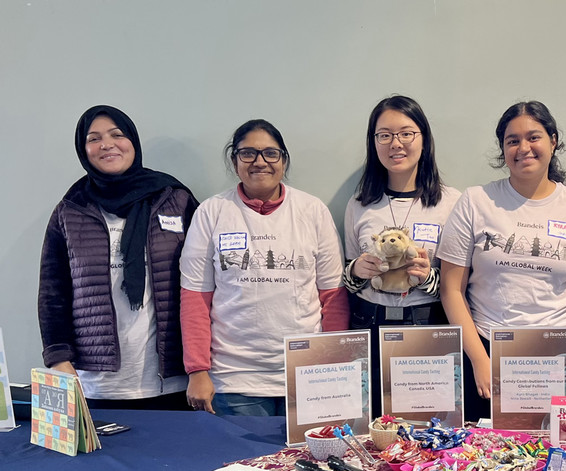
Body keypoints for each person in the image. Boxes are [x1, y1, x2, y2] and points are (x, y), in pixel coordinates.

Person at [437, 101, 566, 421]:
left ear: (553, 141)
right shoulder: (475, 201)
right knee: (490, 456)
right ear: (503, 148)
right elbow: (451, 290)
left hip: (560, 358)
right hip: (488, 351)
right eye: (512, 140)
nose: (523, 148)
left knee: (556, 458)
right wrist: (478, 359)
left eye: (534, 137)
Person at [180, 119, 348, 416]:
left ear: (283, 160)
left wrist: (331, 366)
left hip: (306, 377)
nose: (260, 162)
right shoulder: (212, 212)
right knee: (243, 464)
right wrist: (197, 370)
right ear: (235, 161)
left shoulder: (312, 211)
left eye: (271, 153)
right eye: (248, 153)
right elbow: (195, 297)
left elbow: (333, 296)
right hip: (234, 381)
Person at [38, 105, 198, 410]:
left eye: (117, 134)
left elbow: (204, 284)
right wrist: (58, 359)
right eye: (94, 138)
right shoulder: (71, 209)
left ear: (133, 142)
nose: (106, 144)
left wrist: (202, 365)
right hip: (97, 385)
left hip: (173, 382)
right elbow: (52, 293)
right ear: (83, 150)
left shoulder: (175, 199)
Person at [342, 96, 460, 418]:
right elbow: (349, 285)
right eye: (384, 135)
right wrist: (357, 271)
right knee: (372, 425)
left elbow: (459, 288)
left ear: (424, 138)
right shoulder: (359, 204)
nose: (396, 144)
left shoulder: (452, 204)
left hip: (428, 324)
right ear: (374, 142)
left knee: (427, 425)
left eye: (406, 133)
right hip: (368, 324)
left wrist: (428, 277)